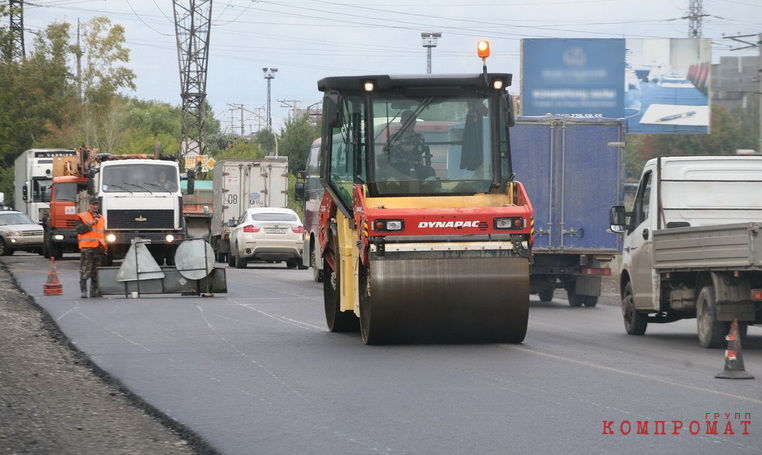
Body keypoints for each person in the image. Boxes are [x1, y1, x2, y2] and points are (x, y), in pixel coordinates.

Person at [387, 110, 435, 180]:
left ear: (415, 122)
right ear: (401, 121)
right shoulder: (393, 137)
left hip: (417, 167)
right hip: (397, 168)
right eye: (406, 120)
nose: (409, 123)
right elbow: (385, 152)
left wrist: (398, 145)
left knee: (430, 172)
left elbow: (418, 150)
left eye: (412, 120)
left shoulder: (419, 137)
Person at [76, 198, 106, 298]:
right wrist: (91, 223)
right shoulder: (82, 216)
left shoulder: (101, 218)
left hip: (97, 247)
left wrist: (103, 246)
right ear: (90, 205)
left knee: (96, 271)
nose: (95, 206)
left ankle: (94, 292)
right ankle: (83, 291)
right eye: (93, 204)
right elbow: (79, 230)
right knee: (85, 270)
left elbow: (102, 233)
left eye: (97, 204)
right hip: (86, 247)